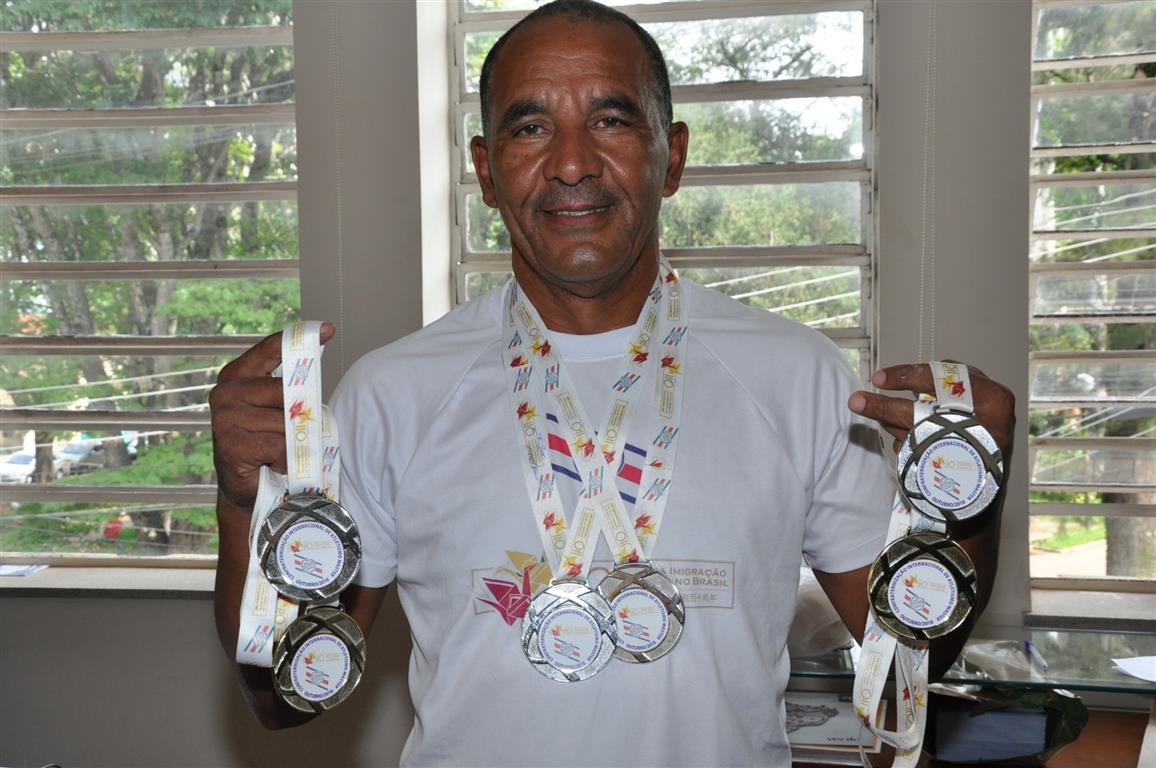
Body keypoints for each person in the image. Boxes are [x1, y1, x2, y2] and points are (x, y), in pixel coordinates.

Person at [209, 1, 1016, 764]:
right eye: (531, 127)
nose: (571, 163)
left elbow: (909, 659)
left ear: (674, 157)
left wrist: (969, 499)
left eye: (611, 120)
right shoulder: (391, 394)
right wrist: (246, 509)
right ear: (486, 172)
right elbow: (283, 700)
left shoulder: (796, 377)